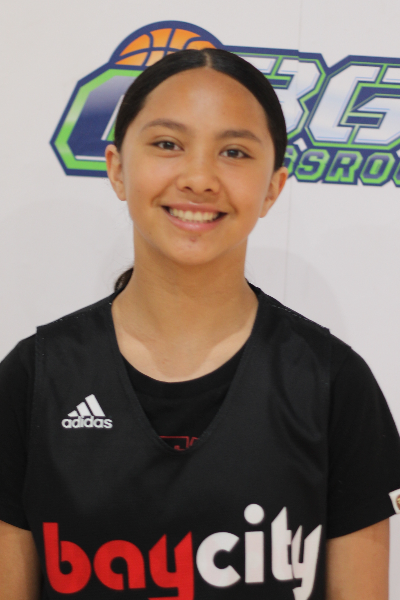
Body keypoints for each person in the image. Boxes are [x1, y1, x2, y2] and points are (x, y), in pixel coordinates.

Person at [1, 48, 400, 600]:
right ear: (117, 168)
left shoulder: (333, 384)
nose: (199, 178)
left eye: (234, 151)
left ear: (273, 187)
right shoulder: (34, 379)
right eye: (168, 144)